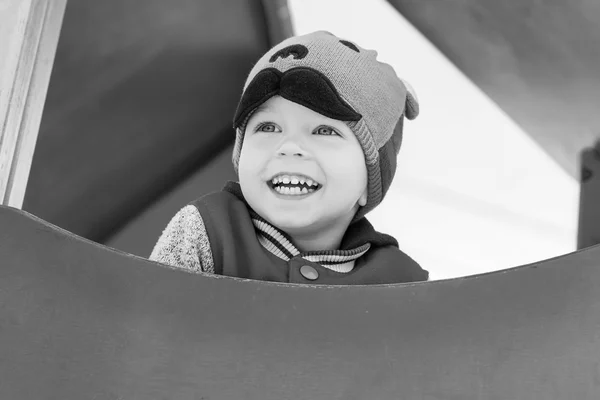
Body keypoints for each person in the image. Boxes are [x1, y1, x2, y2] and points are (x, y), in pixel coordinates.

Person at [149, 31, 428, 284]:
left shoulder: (399, 282)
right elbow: (147, 319)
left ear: (370, 181)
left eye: (324, 130)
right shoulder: (207, 232)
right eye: (268, 127)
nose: (289, 147)